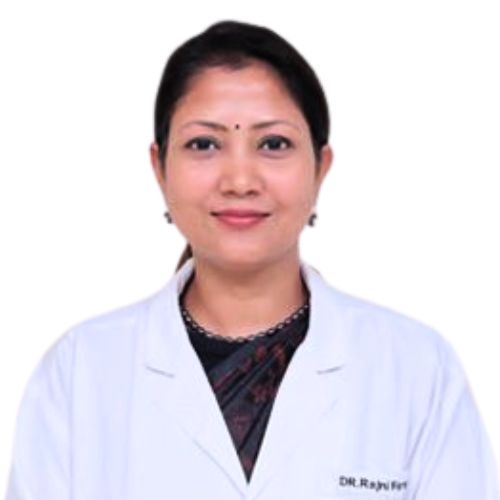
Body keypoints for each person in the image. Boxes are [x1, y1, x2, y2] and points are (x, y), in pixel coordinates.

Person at [4, 20, 499, 500]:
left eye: (273, 144)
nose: (240, 180)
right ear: (159, 168)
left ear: (320, 168)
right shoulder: (81, 372)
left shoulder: (415, 369)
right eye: (204, 144)